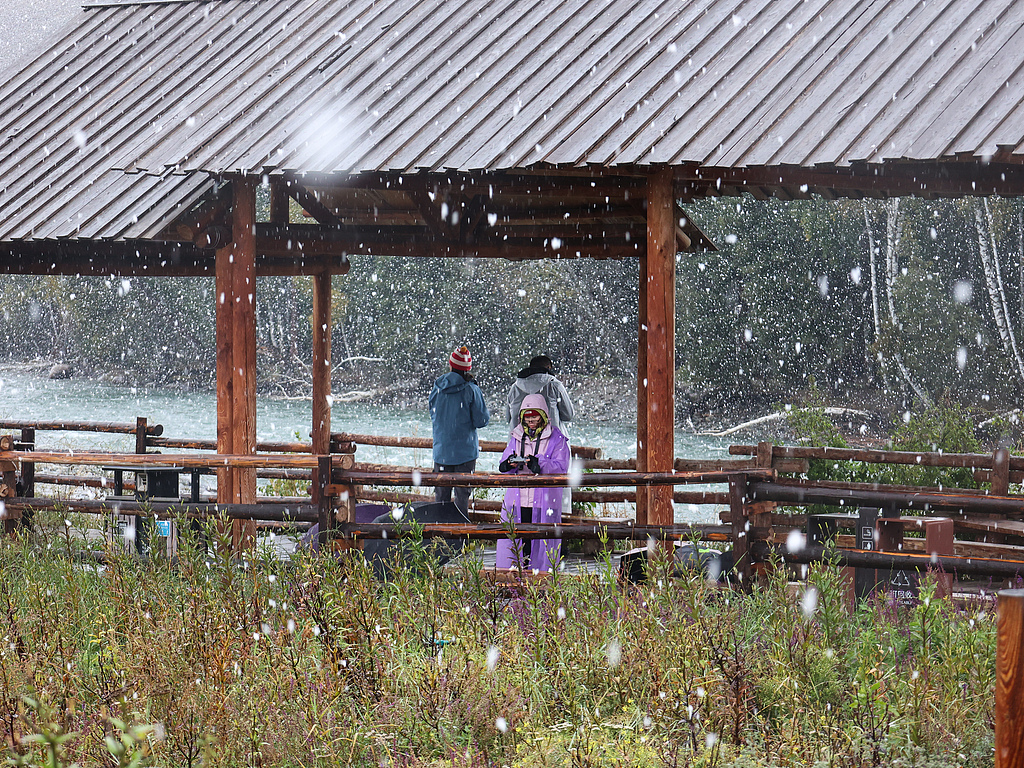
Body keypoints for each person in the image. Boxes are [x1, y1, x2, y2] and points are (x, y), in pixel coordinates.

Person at [496, 393, 570, 573]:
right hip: (517, 502)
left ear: (543, 416)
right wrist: (509, 463)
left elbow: (561, 467)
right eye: (527, 416)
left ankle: (541, 581)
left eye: (534, 416)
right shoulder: (516, 436)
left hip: (544, 503)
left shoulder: (557, 440)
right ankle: (513, 582)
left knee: (541, 542)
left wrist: (540, 464)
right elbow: (503, 463)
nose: (531, 420)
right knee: (517, 542)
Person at [428, 345, 490, 513]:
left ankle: (438, 535)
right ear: (468, 369)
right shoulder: (471, 390)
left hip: (442, 452)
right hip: (465, 453)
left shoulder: (438, 387)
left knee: (440, 500)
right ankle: (460, 536)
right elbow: (481, 420)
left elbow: (433, 413)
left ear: (450, 365)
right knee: (461, 499)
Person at [505, 354, 574, 435]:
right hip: (550, 441)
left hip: (520, 442)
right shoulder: (554, 385)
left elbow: (508, 418)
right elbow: (568, 415)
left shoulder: (515, 387)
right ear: (548, 368)